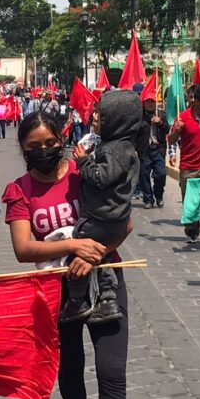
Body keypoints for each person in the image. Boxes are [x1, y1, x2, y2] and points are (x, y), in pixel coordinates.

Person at [2, 111, 128, 399]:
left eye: (49, 142)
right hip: (57, 291)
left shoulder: (85, 174)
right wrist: (75, 245)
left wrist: (95, 255)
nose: (43, 150)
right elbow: (23, 249)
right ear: (22, 149)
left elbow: (124, 224)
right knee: (70, 370)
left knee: (111, 371)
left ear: (62, 139)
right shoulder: (19, 190)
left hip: (105, 282)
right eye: (33, 146)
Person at [65, 90, 141, 325]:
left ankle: (80, 301)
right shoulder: (120, 145)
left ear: (118, 121)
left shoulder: (115, 149)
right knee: (101, 252)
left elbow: (100, 177)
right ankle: (105, 299)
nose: (95, 117)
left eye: (102, 115)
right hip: (115, 216)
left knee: (81, 246)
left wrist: (83, 161)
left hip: (103, 216)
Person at [168, 85, 200, 247]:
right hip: (188, 167)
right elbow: (171, 140)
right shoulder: (182, 118)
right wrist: (176, 131)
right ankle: (191, 231)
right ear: (195, 102)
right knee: (190, 202)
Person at [136, 91, 169, 209]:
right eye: (148, 102)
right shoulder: (139, 116)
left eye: (152, 101)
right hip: (144, 151)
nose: (150, 104)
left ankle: (159, 195)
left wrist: (160, 122)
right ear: (144, 103)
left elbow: (167, 129)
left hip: (158, 150)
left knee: (161, 174)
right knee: (144, 176)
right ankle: (148, 199)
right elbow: (134, 133)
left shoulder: (161, 114)